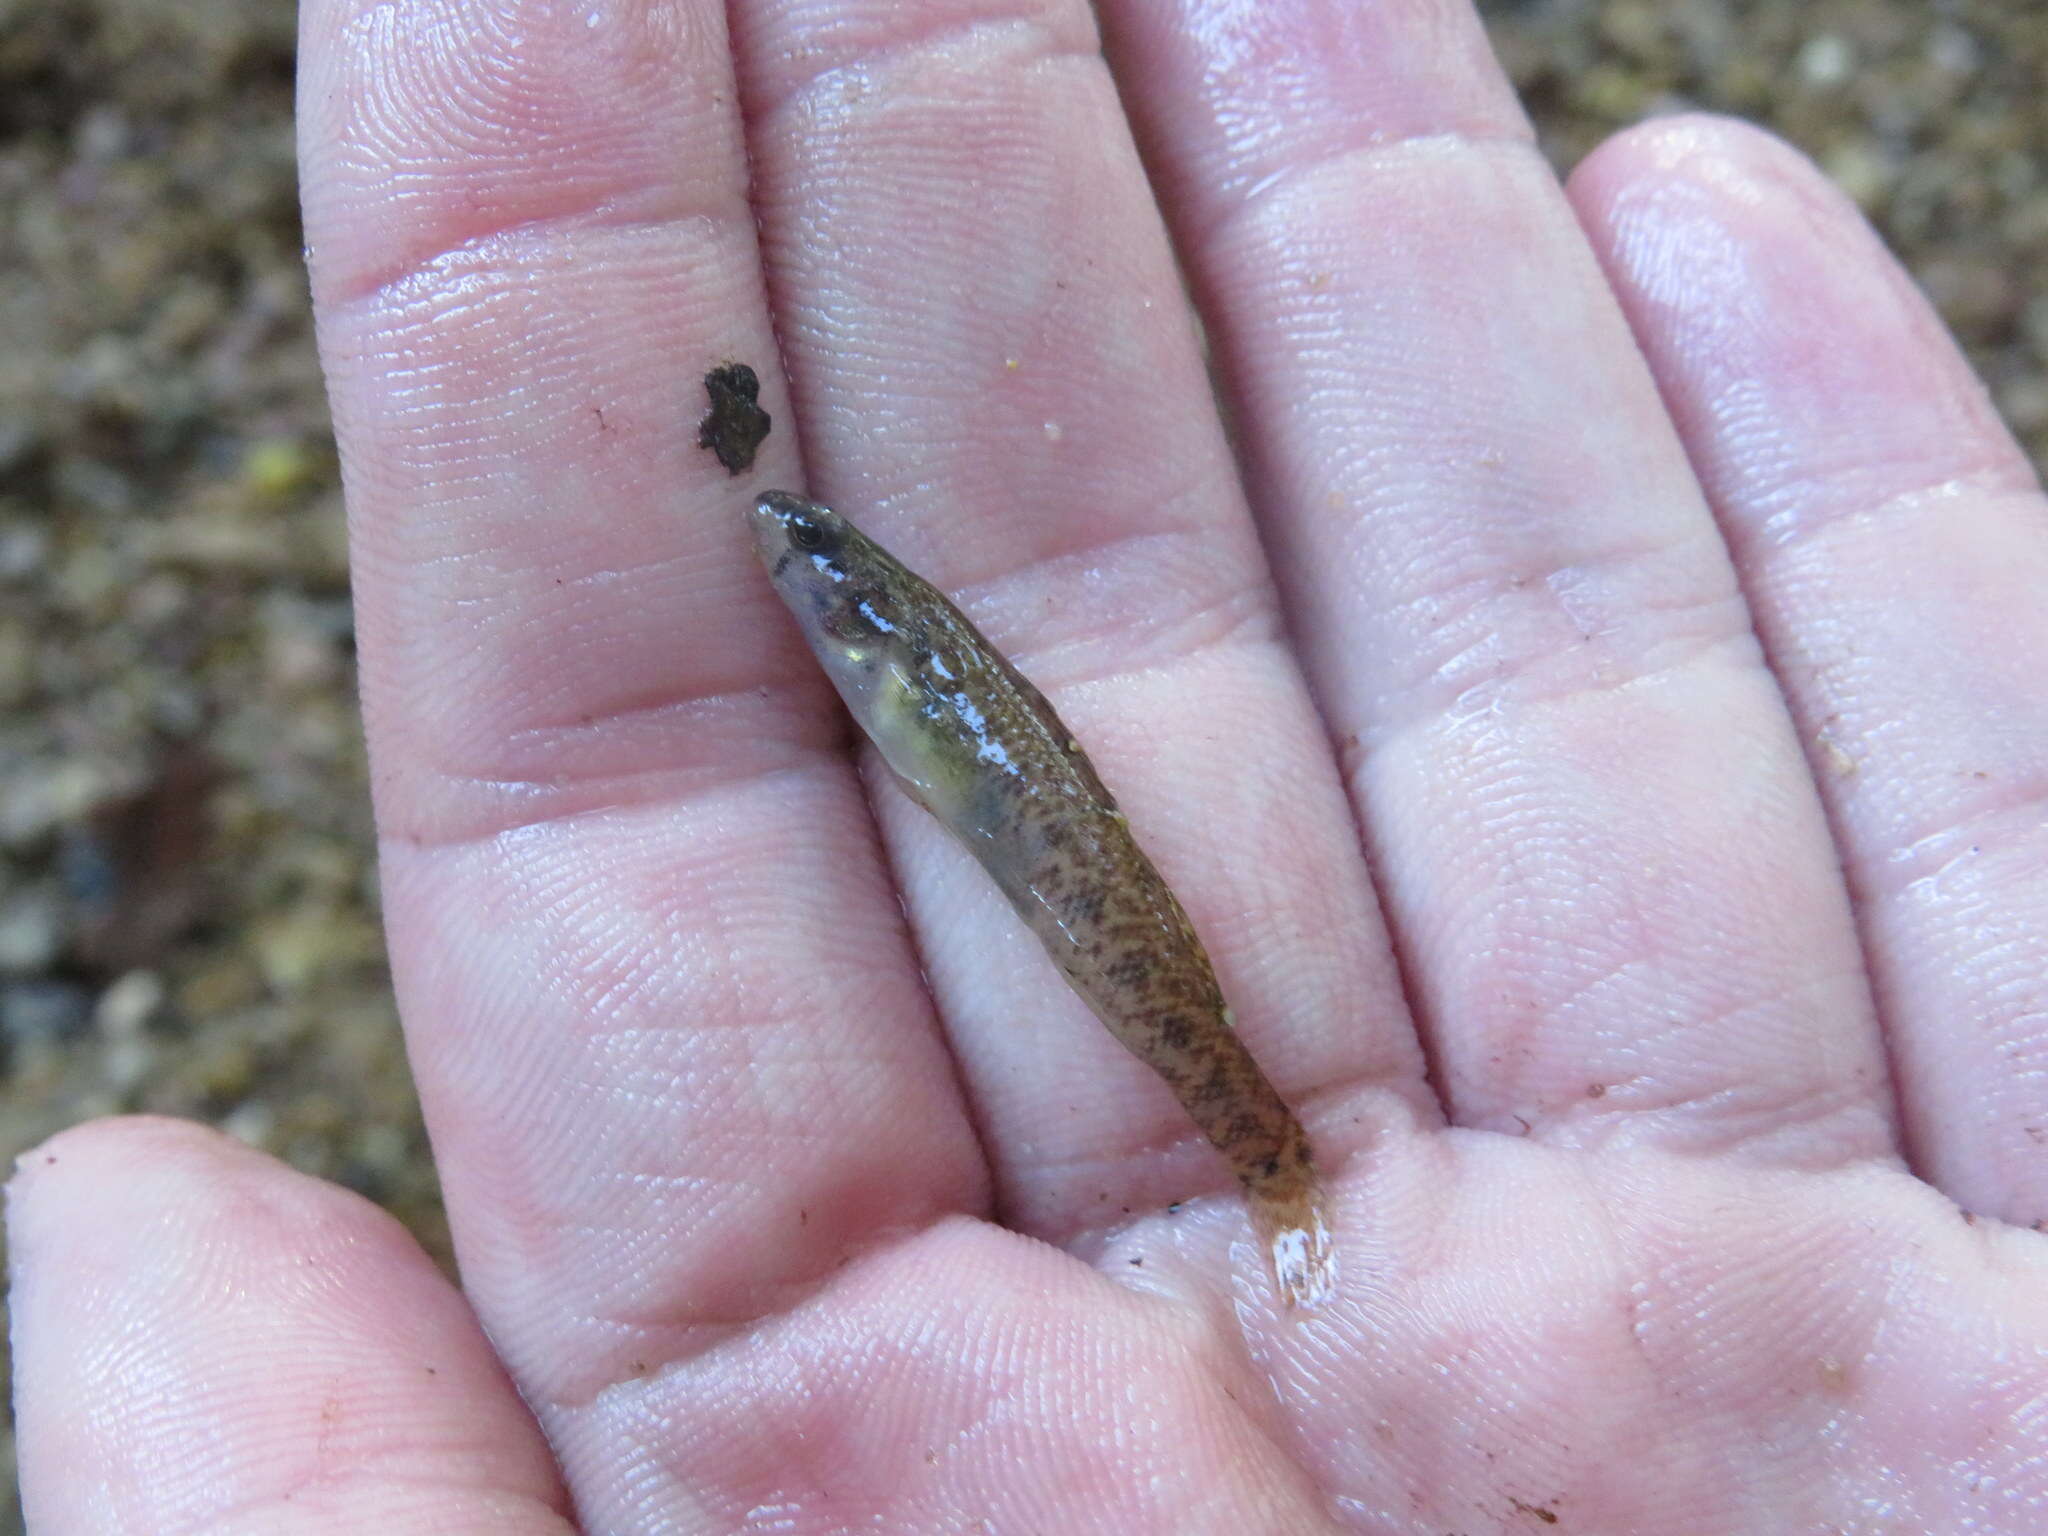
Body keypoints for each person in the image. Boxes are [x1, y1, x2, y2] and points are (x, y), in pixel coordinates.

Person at [15, 0, 2048, 1529]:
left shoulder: (886, 626)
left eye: (817, 575)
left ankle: (1265, 1153)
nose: (799, 578)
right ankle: (1263, 1155)